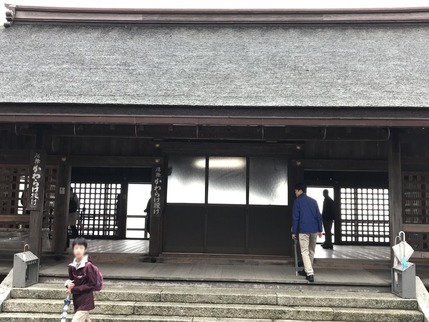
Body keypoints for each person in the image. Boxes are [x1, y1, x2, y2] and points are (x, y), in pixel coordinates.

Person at [292, 183, 323, 283]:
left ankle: (310, 273)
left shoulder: (297, 202)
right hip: (314, 229)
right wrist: (320, 229)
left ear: (299, 190)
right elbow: (319, 216)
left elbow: (295, 218)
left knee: (304, 251)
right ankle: (306, 270)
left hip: (303, 230)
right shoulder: (313, 201)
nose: (295, 193)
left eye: (295, 191)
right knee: (311, 251)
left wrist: (294, 232)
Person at [65, 238, 97, 322]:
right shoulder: (72, 266)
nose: (78, 250)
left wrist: (74, 289)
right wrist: (68, 285)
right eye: (76, 248)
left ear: (85, 249)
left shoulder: (88, 266)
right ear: (73, 250)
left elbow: (92, 284)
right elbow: (71, 280)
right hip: (77, 300)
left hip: (86, 300)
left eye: (81, 248)